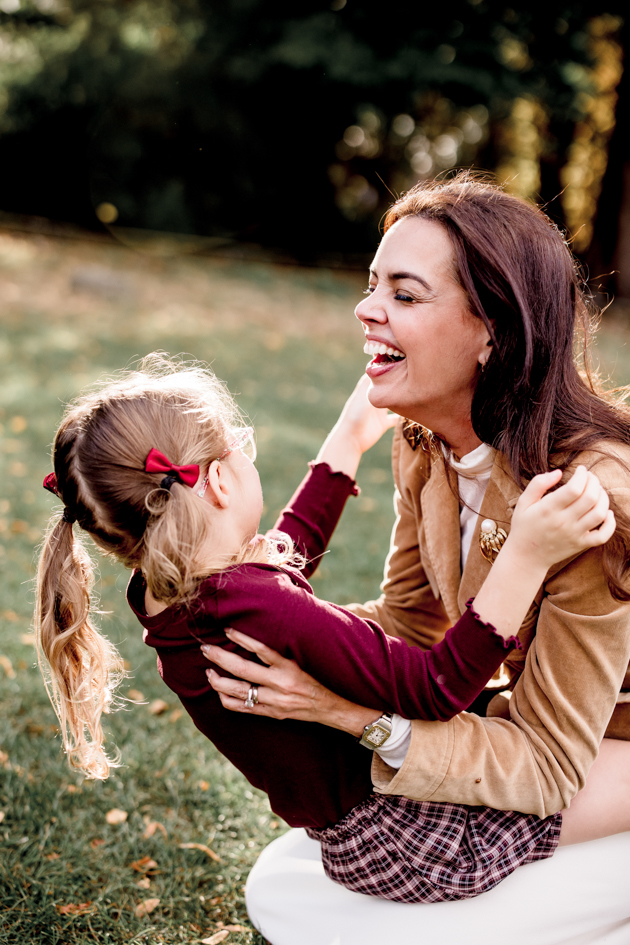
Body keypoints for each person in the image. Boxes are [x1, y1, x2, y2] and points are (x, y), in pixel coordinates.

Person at [199, 174, 630, 944]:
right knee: (300, 887)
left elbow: (545, 762)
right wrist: (273, 633)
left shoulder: (590, 499)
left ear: (491, 330)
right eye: (372, 286)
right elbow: (407, 624)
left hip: (609, 745)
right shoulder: (424, 440)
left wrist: (345, 713)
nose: (367, 311)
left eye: (403, 293)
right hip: (527, 728)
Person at [35, 356, 618, 908]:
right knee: (586, 780)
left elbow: (281, 562)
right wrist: (527, 554)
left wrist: (347, 439)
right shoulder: (254, 607)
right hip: (422, 841)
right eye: (243, 450)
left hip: (357, 842)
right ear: (217, 482)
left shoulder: (167, 596)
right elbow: (435, 689)